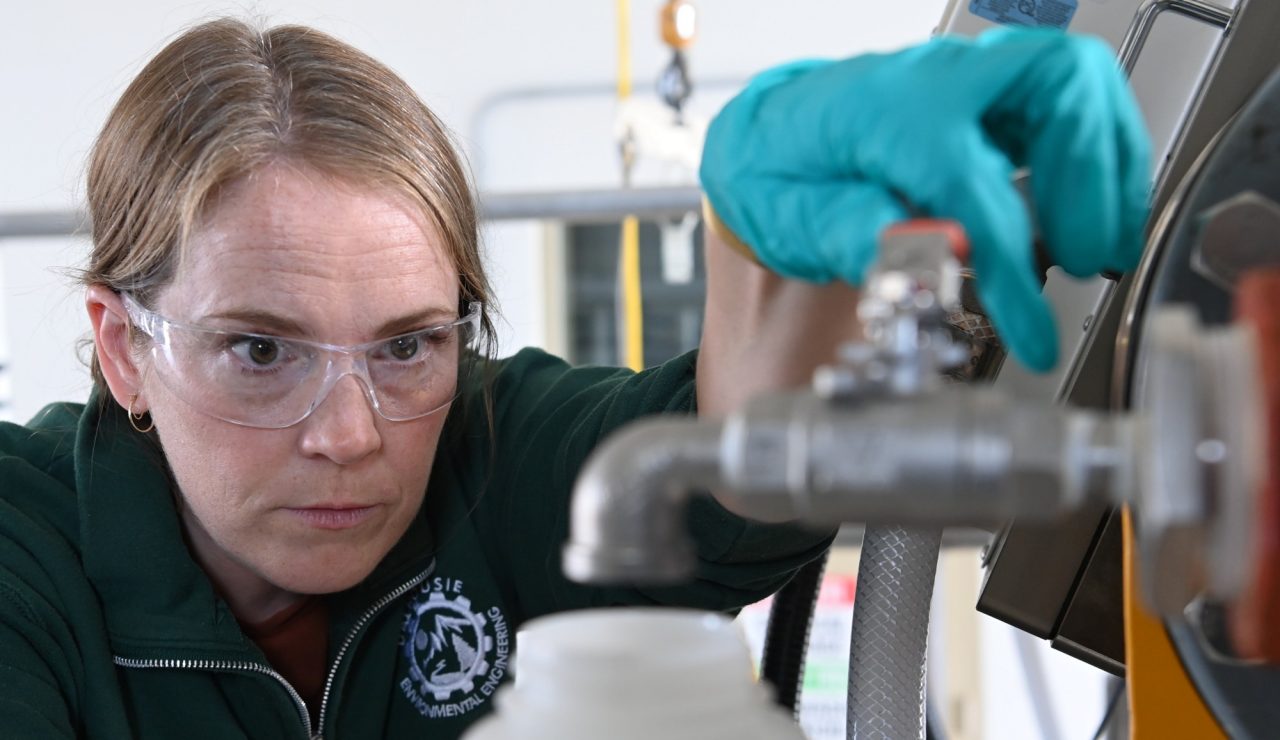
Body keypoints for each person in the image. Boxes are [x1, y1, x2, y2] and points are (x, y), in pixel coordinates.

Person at [0, 17, 1148, 740]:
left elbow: (719, 472)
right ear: (124, 348)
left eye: (406, 344)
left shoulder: (489, 452)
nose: (349, 434)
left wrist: (765, 252)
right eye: (260, 350)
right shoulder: (25, 547)